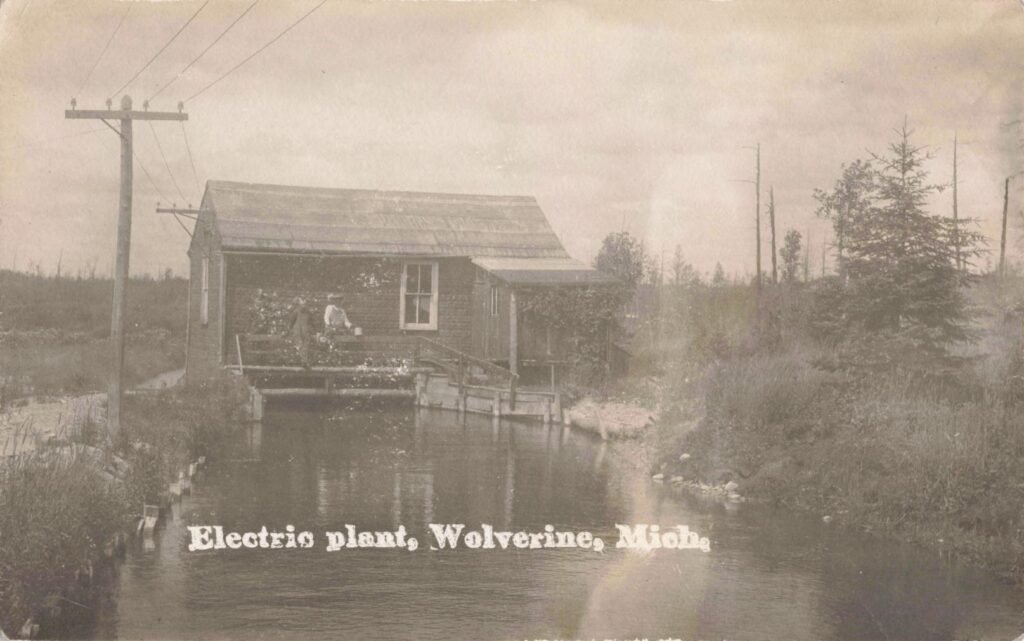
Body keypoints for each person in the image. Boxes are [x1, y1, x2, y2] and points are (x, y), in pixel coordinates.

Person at [286, 297, 313, 367]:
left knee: (305, 346)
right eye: (302, 304)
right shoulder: (296, 312)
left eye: (305, 304)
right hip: (297, 330)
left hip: (306, 330)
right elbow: (291, 322)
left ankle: (304, 361)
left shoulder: (308, 312)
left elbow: (311, 322)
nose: (304, 306)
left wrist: (312, 330)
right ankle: (304, 361)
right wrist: (288, 331)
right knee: (300, 345)